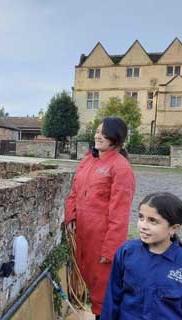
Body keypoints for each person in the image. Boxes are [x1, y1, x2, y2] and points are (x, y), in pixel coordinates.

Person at [64, 117, 135, 318]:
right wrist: (70, 219)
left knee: (102, 290)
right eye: (97, 131)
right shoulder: (88, 160)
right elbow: (74, 192)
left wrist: (111, 248)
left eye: (103, 133)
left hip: (101, 237)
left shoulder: (121, 168)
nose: (98, 136)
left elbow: (120, 212)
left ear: (115, 138)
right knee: (85, 279)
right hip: (82, 234)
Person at [101, 192, 182, 319]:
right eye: (141, 217)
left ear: (173, 228)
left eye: (153, 221)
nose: (143, 226)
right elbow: (112, 299)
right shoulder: (126, 253)